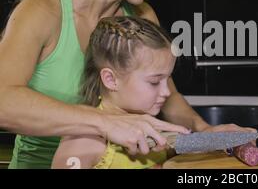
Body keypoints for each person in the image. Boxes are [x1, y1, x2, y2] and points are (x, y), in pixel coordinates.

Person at [0, 0, 252, 169]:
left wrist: (205, 131)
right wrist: (105, 122)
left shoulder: (142, 16)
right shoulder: (43, 11)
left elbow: (168, 95)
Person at [53, 16, 179, 169]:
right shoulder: (84, 140)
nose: (167, 92)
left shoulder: (153, 127)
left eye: (168, 79)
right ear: (111, 80)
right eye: (154, 82)